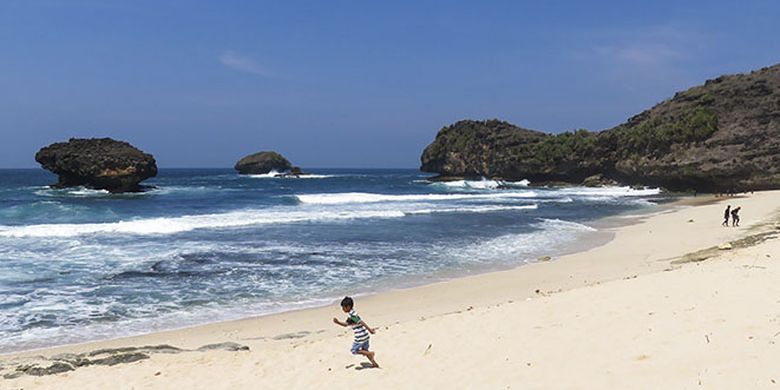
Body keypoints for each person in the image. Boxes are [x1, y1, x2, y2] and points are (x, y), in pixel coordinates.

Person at [333, 296, 379, 368]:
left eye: (343, 307)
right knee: (365, 350)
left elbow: (361, 322)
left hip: (360, 337)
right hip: (365, 336)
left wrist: (370, 330)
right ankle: (374, 363)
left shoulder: (352, 315)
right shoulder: (353, 314)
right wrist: (338, 322)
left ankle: (371, 353)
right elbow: (346, 325)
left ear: (348, 307)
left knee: (354, 350)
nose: (342, 309)